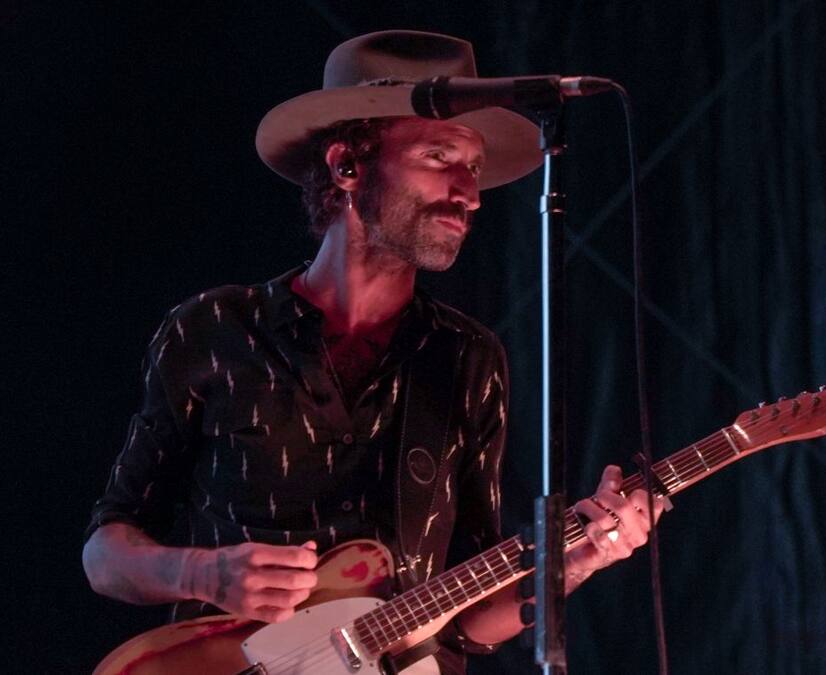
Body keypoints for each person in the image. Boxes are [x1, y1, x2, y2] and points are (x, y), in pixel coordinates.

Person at [82, 30, 665, 674]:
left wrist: (579, 560)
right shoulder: (216, 329)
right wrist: (203, 573)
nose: (469, 194)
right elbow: (105, 555)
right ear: (347, 166)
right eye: (439, 156)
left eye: (473, 168)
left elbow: (469, 621)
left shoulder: (468, 358)